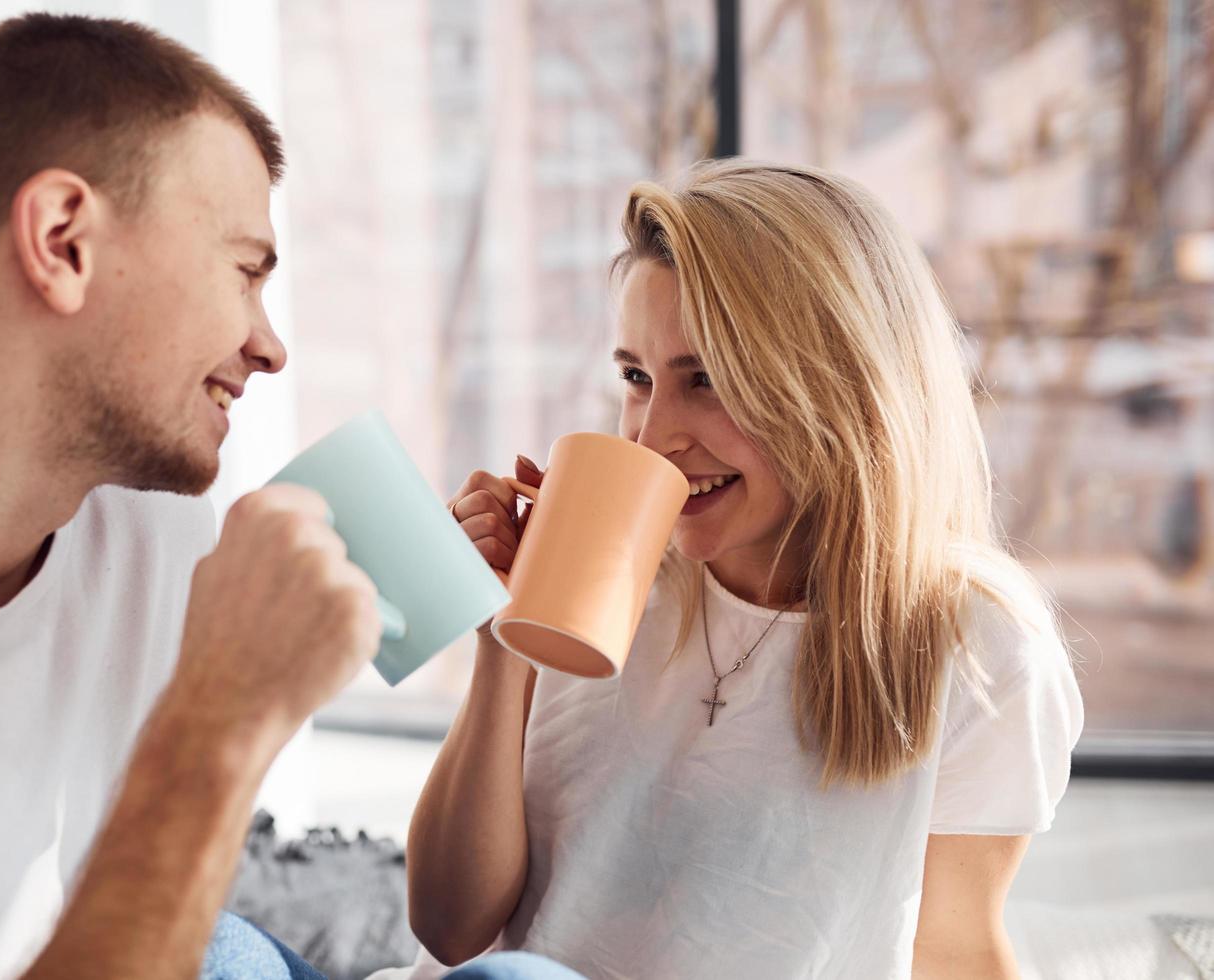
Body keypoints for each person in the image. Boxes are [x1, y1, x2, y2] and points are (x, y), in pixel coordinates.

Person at [0, 14, 575, 980]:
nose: (271, 345)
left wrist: (466, 597)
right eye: (244, 272)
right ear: (63, 243)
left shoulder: (143, 527)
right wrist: (215, 728)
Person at [407, 160, 1086, 979]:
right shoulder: (601, 573)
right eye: (636, 378)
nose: (654, 435)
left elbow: (956, 950)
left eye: (710, 381)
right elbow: (449, 932)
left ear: (841, 386)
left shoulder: (977, 652)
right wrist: (502, 641)